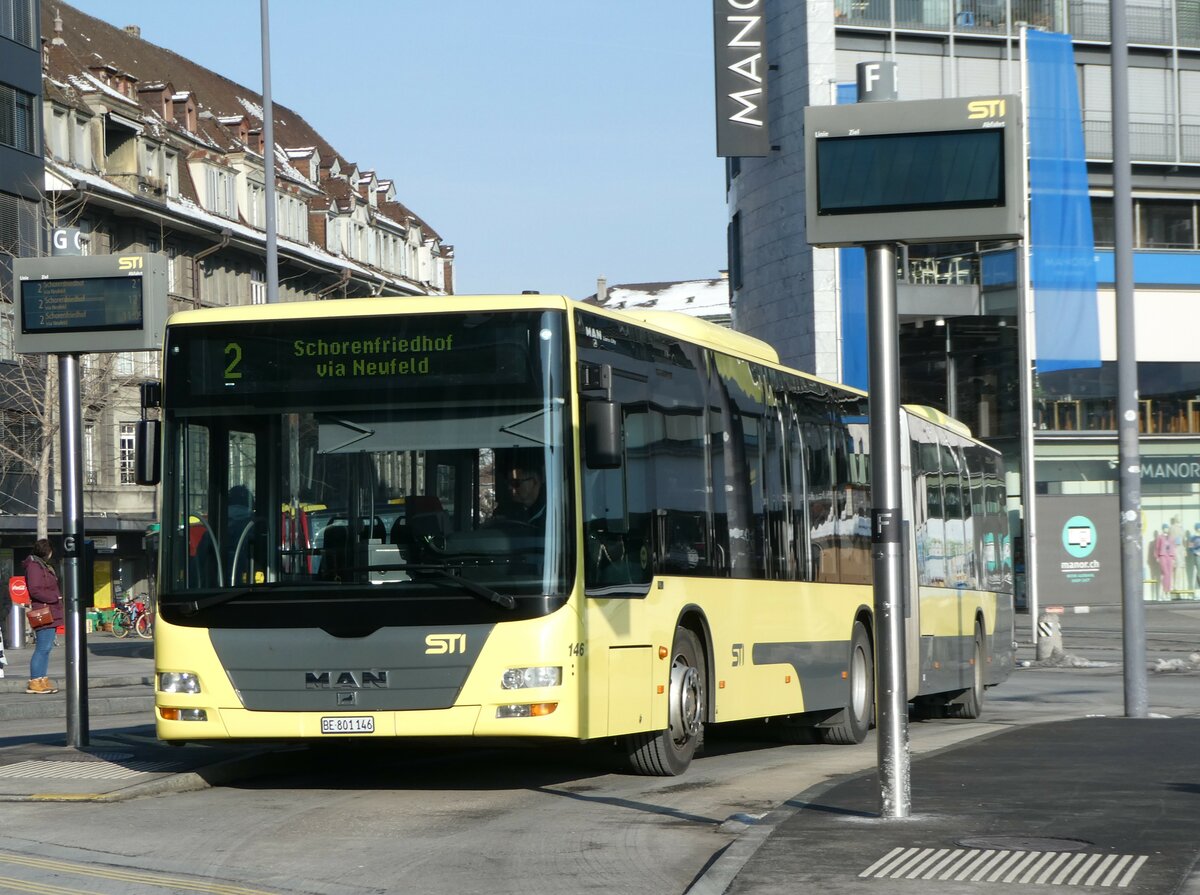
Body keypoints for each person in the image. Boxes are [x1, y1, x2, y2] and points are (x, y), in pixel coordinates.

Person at [23, 539, 62, 695]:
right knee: (42, 648)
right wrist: (54, 598)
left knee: (46, 648)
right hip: (44, 611)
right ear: (48, 552)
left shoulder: (40, 565)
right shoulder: (35, 566)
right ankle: (35, 680)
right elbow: (34, 590)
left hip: (50, 610)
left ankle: (41, 679)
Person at [500, 461, 546, 526]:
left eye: (515, 482)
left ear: (535, 481)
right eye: (508, 483)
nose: (509, 487)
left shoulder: (550, 513)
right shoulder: (509, 510)